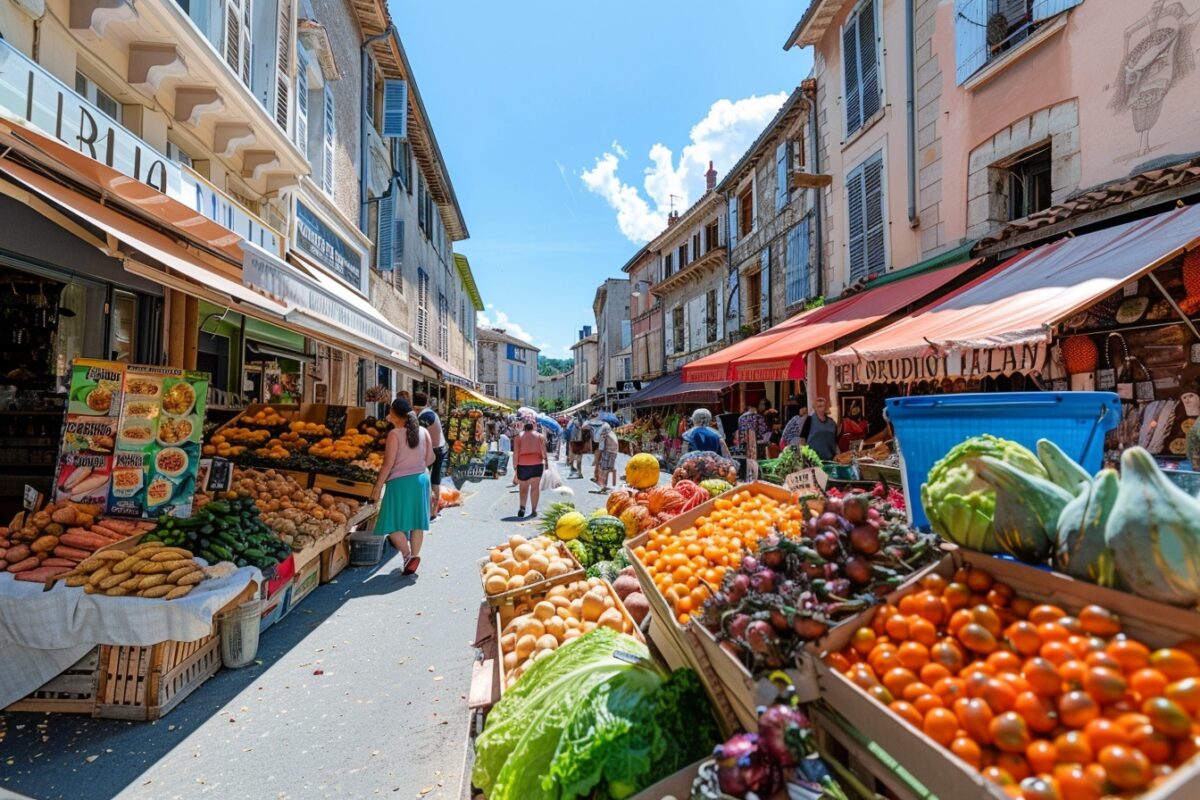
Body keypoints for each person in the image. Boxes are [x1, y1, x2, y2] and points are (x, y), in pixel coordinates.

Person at [370, 397, 435, 575]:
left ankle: (406, 556)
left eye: (390, 410)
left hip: (399, 482)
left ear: (395, 414)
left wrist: (377, 488)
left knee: (389, 522)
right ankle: (414, 556)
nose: (388, 414)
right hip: (421, 480)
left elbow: (388, 464)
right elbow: (431, 459)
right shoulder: (423, 431)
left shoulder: (394, 434)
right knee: (417, 523)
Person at [412, 391, 446, 522]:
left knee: (426, 479)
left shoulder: (425, 417)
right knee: (434, 480)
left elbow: (417, 434)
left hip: (432, 451)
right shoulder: (431, 413)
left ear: (415, 406)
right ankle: (433, 511)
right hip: (439, 449)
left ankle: (429, 511)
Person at [512, 421, 548, 517]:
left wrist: (515, 467)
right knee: (535, 487)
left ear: (524, 426)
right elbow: (543, 451)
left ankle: (522, 507)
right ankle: (533, 510)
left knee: (523, 487)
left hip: (522, 464)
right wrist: (546, 462)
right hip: (537, 464)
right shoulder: (540, 436)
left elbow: (516, 453)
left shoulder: (518, 437)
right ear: (534, 426)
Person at [799, 397, 838, 461]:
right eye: (818, 406)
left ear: (826, 407)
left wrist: (838, 456)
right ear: (814, 408)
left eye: (822, 406)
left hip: (830, 460)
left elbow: (835, 442)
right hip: (813, 459)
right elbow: (802, 440)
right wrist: (803, 456)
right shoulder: (809, 420)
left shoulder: (832, 423)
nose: (821, 409)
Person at [736, 404, 767, 481]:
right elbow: (764, 432)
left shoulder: (741, 418)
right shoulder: (760, 417)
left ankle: (747, 478)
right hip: (758, 445)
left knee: (747, 464)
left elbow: (740, 433)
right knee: (757, 464)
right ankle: (757, 478)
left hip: (745, 446)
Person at [596, 422, 619, 492]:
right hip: (614, 452)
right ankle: (605, 485)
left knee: (604, 468)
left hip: (607, 452)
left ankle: (603, 486)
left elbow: (600, 445)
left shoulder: (604, 433)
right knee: (608, 468)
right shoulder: (612, 433)